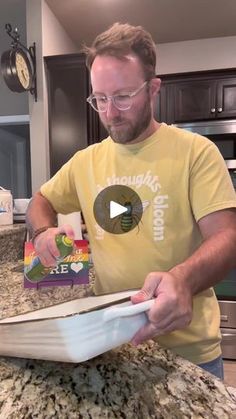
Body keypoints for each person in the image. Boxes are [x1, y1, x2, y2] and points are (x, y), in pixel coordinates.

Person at [26, 22, 236, 379]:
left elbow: (227, 237)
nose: (110, 112)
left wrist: (182, 280)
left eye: (123, 96)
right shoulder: (85, 160)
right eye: (100, 99)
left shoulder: (196, 152)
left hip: (189, 354)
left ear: (153, 89)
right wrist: (43, 231)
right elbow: (40, 201)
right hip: (113, 346)